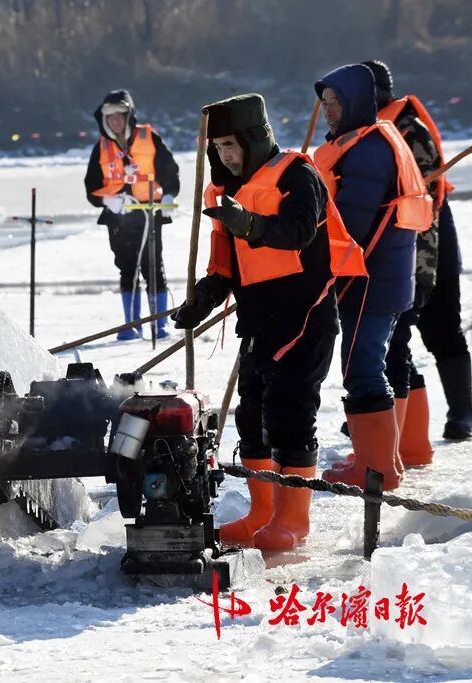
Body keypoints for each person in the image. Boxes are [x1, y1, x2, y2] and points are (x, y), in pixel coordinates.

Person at [172, 94, 365, 551]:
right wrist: (201, 301)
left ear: (255, 138)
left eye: (231, 145)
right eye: (217, 148)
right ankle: (262, 514)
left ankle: (292, 521)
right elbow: (224, 268)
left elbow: (299, 231)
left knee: (290, 417)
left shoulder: (298, 173)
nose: (225, 156)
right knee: (253, 418)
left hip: (306, 319)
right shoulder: (226, 192)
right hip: (260, 325)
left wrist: (249, 225)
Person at [313, 64, 433, 490]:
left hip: (371, 278)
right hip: (385, 275)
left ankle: (377, 468)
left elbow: (350, 224)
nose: (328, 111)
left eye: (335, 102)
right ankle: (385, 459)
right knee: (378, 361)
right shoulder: (370, 139)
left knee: (362, 367)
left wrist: (306, 258)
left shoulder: (368, 149)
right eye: (324, 103)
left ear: (357, 102)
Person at [365, 59, 472, 443]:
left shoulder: (411, 132)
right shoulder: (364, 133)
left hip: (431, 247)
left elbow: (426, 208)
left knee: (442, 328)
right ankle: (394, 417)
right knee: (394, 338)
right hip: (393, 250)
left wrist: (424, 269)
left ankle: (463, 411)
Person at [84, 89, 180, 340]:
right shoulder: (101, 147)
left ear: (129, 115)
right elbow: (91, 186)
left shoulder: (149, 138)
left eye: (120, 115)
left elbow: (170, 170)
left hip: (149, 214)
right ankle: (132, 325)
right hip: (119, 218)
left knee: (154, 267)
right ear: (104, 119)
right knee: (127, 269)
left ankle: (159, 324)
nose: (116, 121)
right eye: (111, 116)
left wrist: (169, 194)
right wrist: (108, 200)